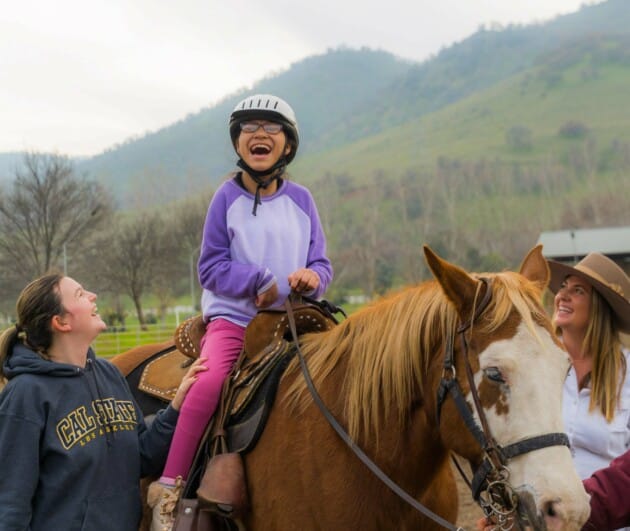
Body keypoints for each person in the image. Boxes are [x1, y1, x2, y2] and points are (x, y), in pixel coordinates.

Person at [150, 93, 334, 529]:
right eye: (249, 128)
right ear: (238, 143)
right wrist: (258, 281)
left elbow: (321, 263)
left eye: (271, 128)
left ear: (287, 145)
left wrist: (313, 279)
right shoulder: (225, 198)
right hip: (235, 319)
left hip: (293, 319)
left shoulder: (303, 200)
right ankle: (169, 486)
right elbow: (210, 267)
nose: (260, 134)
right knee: (209, 381)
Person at [0, 273, 206, 531]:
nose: (92, 296)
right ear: (61, 322)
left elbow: (141, 457)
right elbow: (10, 505)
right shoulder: (25, 395)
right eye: (80, 294)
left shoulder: (108, 374)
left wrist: (176, 408)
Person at [548, 253, 630, 480]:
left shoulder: (627, 373)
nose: (562, 295)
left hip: (609, 510)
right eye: (563, 287)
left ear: (599, 307)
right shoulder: (539, 365)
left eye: (578, 291)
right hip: (542, 510)